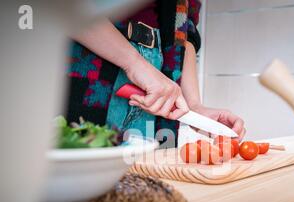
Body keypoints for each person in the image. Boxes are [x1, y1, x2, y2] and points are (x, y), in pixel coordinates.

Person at [66, 0, 245, 146]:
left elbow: (186, 28)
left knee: (147, 185)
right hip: (89, 63)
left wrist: (193, 106)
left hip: (159, 74)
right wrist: (134, 64)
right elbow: (56, 8)